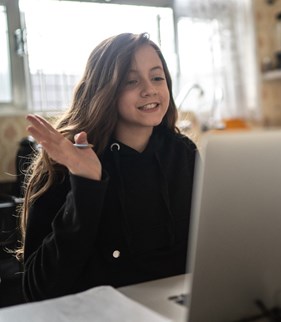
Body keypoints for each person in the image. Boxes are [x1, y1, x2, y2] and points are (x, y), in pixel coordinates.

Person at [16, 33, 198, 302]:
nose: (149, 89)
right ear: (105, 90)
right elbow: (38, 290)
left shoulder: (183, 153)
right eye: (131, 81)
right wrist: (87, 184)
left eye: (157, 77)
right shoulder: (66, 162)